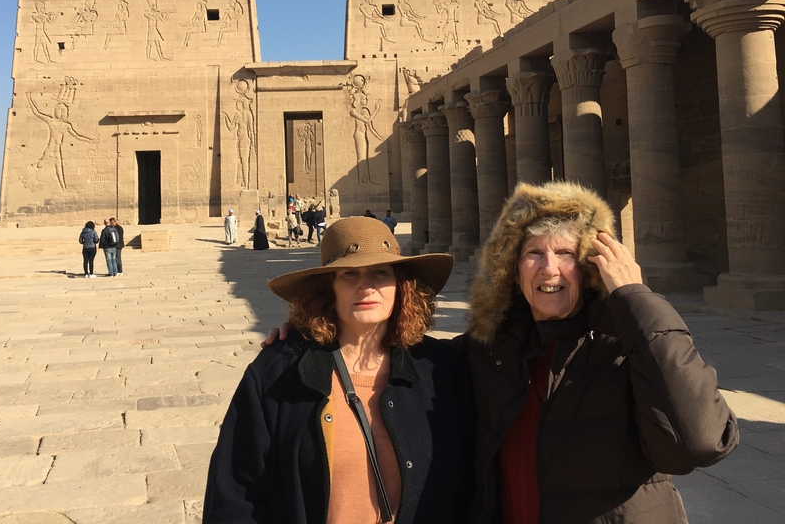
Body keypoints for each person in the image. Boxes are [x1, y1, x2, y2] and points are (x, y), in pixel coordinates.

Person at [465, 181, 738, 523]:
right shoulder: (491, 351)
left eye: (565, 253)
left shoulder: (625, 347)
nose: (549, 268)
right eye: (534, 252)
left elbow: (700, 441)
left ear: (590, 266)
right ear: (511, 269)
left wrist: (635, 298)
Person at [203, 217, 471, 523]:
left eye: (380, 273)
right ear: (328, 287)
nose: (365, 287)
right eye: (349, 274)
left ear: (401, 285)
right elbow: (235, 497)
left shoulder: (440, 369)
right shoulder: (278, 374)